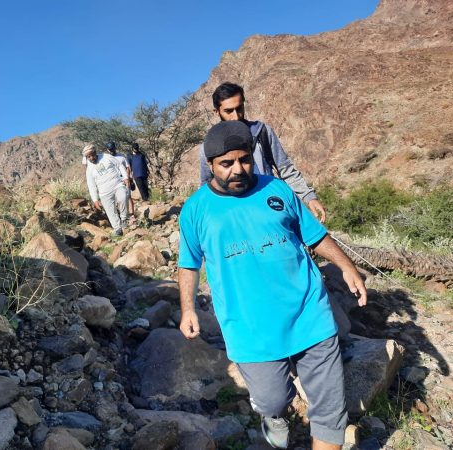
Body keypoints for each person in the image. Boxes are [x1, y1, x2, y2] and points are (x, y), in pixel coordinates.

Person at [178, 121, 367, 450]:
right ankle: (275, 414)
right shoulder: (195, 210)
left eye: (245, 160)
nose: (238, 169)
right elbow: (189, 263)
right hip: (249, 327)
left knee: (330, 411)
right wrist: (188, 309)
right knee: (272, 399)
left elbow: (314, 235)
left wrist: (347, 267)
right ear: (210, 165)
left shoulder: (277, 190)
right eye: (226, 163)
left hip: (309, 312)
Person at [199, 82, 326, 223]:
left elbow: (285, 168)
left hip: (269, 206)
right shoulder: (210, 145)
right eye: (228, 111)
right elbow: (206, 184)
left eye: (239, 108)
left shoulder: (262, 132)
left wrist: (309, 197)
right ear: (216, 112)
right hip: (234, 215)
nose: (236, 116)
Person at [83, 144, 129, 236]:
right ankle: (117, 229)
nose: (91, 158)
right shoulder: (89, 169)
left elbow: (119, 165)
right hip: (104, 193)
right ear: (86, 157)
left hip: (117, 184)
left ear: (95, 152)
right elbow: (91, 185)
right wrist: (95, 200)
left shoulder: (106, 157)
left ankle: (124, 219)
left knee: (123, 197)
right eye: (89, 157)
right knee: (110, 211)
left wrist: (125, 177)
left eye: (92, 155)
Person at [105, 141, 135, 218]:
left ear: (115, 148)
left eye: (112, 149)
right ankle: (122, 215)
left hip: (124, 179)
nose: (111, 151)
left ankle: (132, 214)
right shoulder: (106, 158)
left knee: (128, 196)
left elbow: (128, 167)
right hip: (114, 181)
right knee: (118, 198)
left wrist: (127, 178)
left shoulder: (121, 156)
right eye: (110, 149)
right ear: (107, 150)